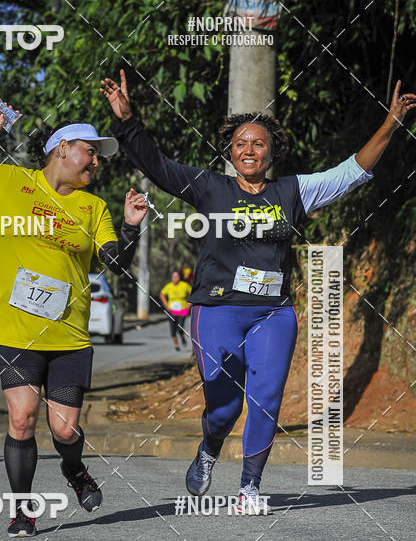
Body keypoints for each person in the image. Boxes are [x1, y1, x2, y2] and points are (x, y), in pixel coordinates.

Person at [101, 71, 416, 512]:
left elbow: (352, 172)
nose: (249, 150)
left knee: (265, 398)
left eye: (258, 143)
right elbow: (157, 164)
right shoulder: (210, 187)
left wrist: (390, 124)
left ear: (271, 152)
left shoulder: (293, 191)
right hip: (218, 308)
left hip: (273, 312)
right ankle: (210, 448)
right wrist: (127, 120)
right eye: (241, 144)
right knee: (225, 405)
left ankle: (250, 486)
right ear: (230, 151)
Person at [0, 110, 147, 537]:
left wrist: (129, 227)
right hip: (15, 334)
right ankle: (22, 510)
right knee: (22, 419)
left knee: (64, 430)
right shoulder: (8, 182)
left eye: (98, 156)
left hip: (68, 337)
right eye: (91, 152)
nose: (96, 162)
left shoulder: (94, 207)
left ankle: (76, 470)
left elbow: (112, 262)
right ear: (62, 149)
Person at [160, 269, 193, 350]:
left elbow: (193, 294)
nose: (175, 278)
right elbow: (162, 294)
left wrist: (188, 306)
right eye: (173, 276)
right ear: (171, 278)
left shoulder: (184, 285)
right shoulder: (168, 286)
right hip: (171, 311)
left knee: (180, 328)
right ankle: (176, 345)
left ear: (179, 277)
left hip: (182, 310)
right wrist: (166, 305)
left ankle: (182, 338)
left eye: (177, 276)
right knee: (172, 329)